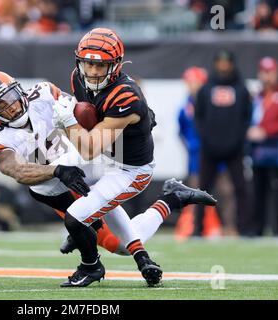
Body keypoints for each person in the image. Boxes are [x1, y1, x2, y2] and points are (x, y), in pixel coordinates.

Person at [0, 70, 217, 287]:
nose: (13, 106)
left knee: (95, 227)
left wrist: (136, 116)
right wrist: (56, 171)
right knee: (118, 246)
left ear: (19, 89)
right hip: (52, 192)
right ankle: (173, 199)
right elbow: (17, 170)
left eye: (13, 97)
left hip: (78, 171)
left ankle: (90, 264)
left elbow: (86, 111)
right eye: (3, 105)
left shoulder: (43, 93)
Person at [51, 27, 216, 287]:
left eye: (100, 65)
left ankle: (89, 266)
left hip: (129, 169)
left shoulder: (125, 95)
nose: (92, 72)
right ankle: (172, 198)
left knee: (76, 217)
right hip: (106, 154)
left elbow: (90, 148)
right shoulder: (78, 78)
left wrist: (69, 121)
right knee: (48, 164)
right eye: (88, 64)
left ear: (116, 65)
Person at [194, 49, 253, 237]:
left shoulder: (242, 90)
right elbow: (198, 116)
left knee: (241, 188)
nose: (224, 65)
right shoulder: (206, 89)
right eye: (220, 61)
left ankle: (245, 228)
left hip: (234, 149)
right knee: (202, 190)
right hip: (209, 148)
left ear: (232, 64)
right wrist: (207, 139)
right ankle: (198, 229)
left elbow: (247, 117)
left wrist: (237, 140)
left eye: (227, 61)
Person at [247, 57, 278, 236]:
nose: (267, 76)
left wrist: (265, 131)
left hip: (276, 150)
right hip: (257, 152)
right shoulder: (257, 96)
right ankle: (258, 229)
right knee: (258, 190)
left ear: (276, 73)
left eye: (270, 72)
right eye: (264, 72)